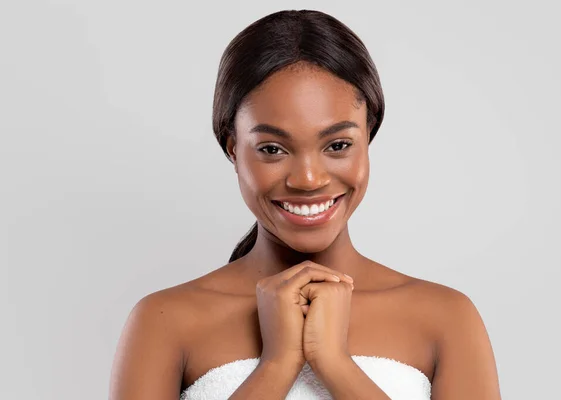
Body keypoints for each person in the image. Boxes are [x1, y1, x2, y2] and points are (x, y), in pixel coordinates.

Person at [109, 9, 501, 400]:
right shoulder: (164, 322)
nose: (308, 179)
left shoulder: (446, 318)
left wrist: (334, 362)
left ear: (368, 139)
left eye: (338, 145)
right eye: (272, 149)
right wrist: (277, 364)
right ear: (233, 149)